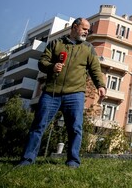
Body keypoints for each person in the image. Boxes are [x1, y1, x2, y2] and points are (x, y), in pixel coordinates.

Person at [18, 17, 106, 168]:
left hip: (75, 94)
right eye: (84, 29)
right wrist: (52, 66)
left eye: (88, 30)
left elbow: (95, 69)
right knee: (38, 126)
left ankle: (73, 161)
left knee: (75, 128)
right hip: (51, 93)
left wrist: (101, 85)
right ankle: (27, 159)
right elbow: (42, 62)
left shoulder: (88, 48)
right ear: (75, 27)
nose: (87, 32)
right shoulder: (56, 43)